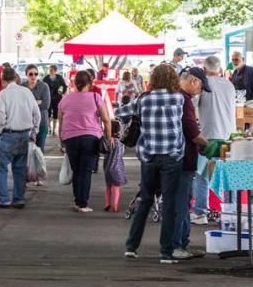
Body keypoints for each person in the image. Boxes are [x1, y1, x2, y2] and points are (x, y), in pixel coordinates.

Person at [114, 65, 186, 264]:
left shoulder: (144, 99)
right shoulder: (178, 98)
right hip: (172, 155)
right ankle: (166, 252)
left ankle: (131, 246)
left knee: (145, 200)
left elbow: (122, 111)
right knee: (169, 203)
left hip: (149, 156)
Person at [57, 71, 114, 212]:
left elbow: (61, 120)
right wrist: (108, 137)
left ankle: (78, 201)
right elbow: (106, 120)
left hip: (70, 138)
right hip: (90, 138)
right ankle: (83, 204)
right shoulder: (96, 97)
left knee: (76, 170)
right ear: (90, 83)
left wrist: (61, 141)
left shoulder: (65, 99)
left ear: (75, 83)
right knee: (85, 171)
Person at [192, 56, 237, 224]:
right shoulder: (229, 85)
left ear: (204, 69)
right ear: (220, 69)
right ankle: (231, 213)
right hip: (229, 136)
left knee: (201, 175)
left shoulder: (203, 85)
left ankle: (200, 213)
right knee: (228, 176)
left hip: (208, 137)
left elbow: (192, 102)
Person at [172, 68, 210, 260]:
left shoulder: (177, 96)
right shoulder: (183, 100)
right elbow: (192, 131)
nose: (200, 92)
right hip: (182, 159)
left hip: (180, 158)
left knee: (185, 202)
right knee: (181, 203)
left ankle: (183, 243)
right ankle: (177, 245)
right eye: (202, 87)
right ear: (194, 81)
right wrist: (209, 145)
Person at [0, 67, 40, 209]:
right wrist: (34, 131)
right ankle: (18, 199)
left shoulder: (3, 94)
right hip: (25, 135)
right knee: (19, 168)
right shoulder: (27, 92)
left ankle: (3, 199)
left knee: (0, 167)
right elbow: (37, 114)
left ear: (2, 79)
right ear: (16, 77)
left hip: (7, 134)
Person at [22, 65, 51, 149]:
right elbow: (21, 105)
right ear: (26, 75)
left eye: (36, 74)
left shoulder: (44, 86)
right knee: (26, 153)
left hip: (42, 123)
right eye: (31, 74)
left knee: (39, 151)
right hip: (25, 124)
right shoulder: (22, 86)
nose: (33, 76)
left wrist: (28, 103)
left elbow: (46, 105)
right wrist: (37, 102)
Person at [42, 65, 67, 133]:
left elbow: (64, 86)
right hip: (48, 98)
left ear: (55, 71)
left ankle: (54, 129)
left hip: (57, 98)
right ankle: (49, 127)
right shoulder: (46, 78)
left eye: (52, 70)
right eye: (50, 70)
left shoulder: (59, 77)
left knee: (56, 113)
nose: (51, 72)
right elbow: (42, 87)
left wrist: (62, 92)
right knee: (48, 113)